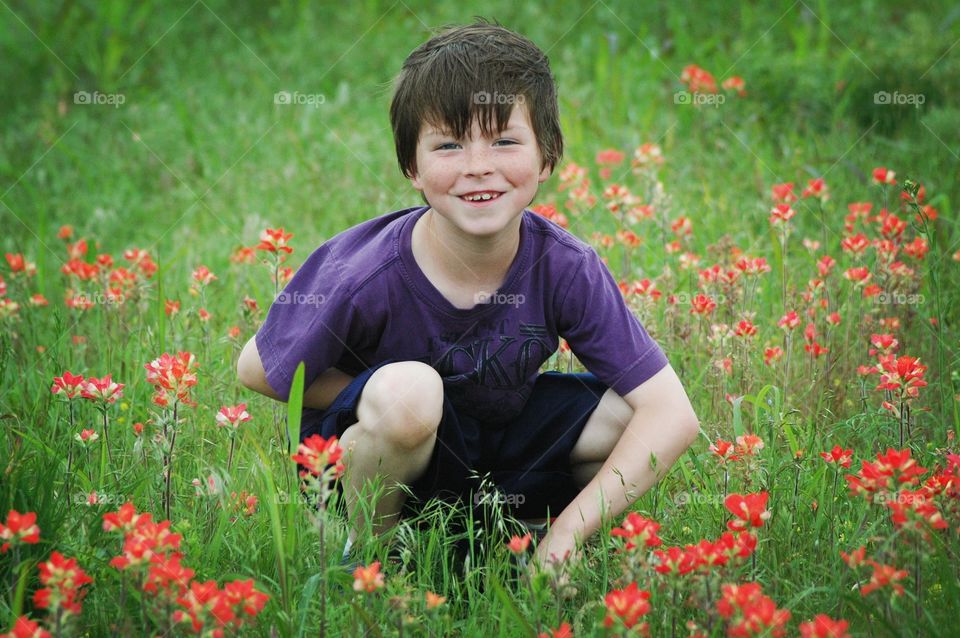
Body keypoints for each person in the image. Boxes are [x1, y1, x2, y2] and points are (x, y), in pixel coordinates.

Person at [237, 19, 699, 570]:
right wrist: (380, 402)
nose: (479, 165)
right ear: (411, 165)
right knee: (412, 393)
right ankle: (371, 559)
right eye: (449, 144)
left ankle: (528, 537)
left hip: (497, 449)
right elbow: (256, 369)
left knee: (629, 413)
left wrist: (568, 538)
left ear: (547, 156)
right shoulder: (366, 269)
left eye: (505, 140)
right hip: (388, 457)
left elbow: (673, 414)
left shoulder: (566, 265)